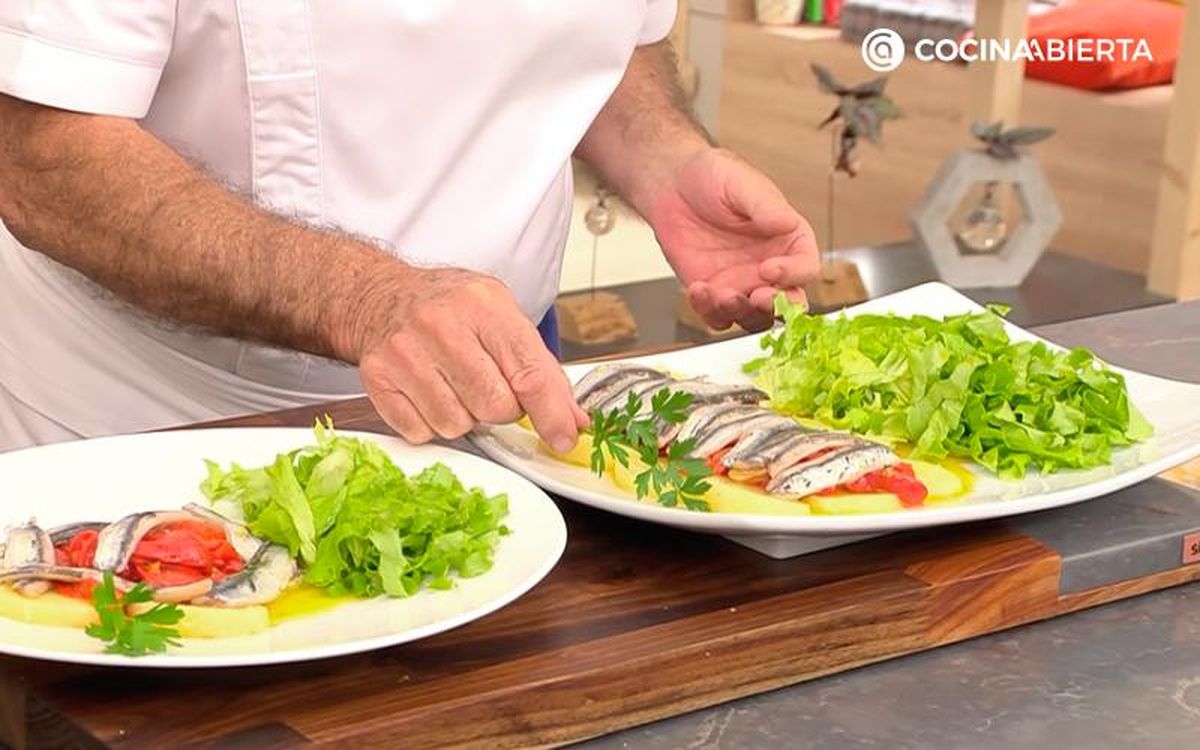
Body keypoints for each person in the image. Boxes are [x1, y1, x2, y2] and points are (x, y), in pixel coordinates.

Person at [0, 2, 817, 454]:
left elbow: (612, 33)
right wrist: (361, 297)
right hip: (162, 419)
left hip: (509, 395)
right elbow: (39, 154)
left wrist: (665, 158)